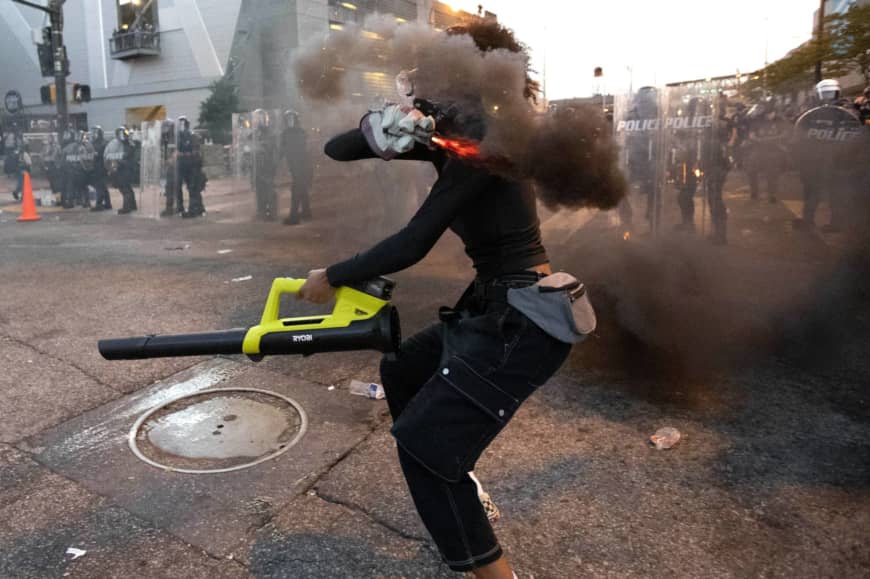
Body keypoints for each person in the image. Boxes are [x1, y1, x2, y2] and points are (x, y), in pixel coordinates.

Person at [296, 21, 576, 578]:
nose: (420, 85)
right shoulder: (450, 136)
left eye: (433, 73)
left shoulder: (487, 141)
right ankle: (458, 484)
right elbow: (337, 148)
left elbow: (412, 242)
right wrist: (390, 128)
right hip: (492, 306)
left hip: (520, 319)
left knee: (423, 447)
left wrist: (334, 275)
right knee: (401, 371)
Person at [793, 79, 864, 232]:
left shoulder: (809, 115)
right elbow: (858, 142)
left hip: (815, 163)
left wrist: (800, 162)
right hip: (840, 164)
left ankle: (808, 221)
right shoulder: (849, 116)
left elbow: (798, 142)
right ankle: (836, 224)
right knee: (836, 194)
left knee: (812, 193)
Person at [743, 98, 790, 204]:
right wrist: (759, 140)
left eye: (770, 113)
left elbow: (785, 134)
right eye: (767, 114)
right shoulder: (758, 119)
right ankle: (754, 192)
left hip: (774, 150)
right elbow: (751, 135)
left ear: (774, 112)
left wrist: (772, 140)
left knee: (773, 174)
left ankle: (772, 194)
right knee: (751, 171)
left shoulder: (780, 120)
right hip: (759, 149)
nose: (769, 116)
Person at [281, 110, 312, 225]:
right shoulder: (286, 133)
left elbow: (303, 150)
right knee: (302, 188)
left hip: (301, 165)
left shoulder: (299, 132)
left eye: (292, 118)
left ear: (296, 120)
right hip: (295, 165)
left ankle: (294, 217)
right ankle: (306, 212)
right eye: (288, 119)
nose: (290, 121)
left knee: (296, 189)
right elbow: (283, 150)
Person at [176, 116, 207, 218]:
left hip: (194, 166)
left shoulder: (192, 136)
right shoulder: (181, 138)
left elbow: (195, 153)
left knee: (194, 188)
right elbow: (180, 150)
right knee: (192, 188)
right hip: (186, 166)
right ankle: (199, 208)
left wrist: (183, 155)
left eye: (182, 124)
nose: (181, 127)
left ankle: (194, 209)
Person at [251, 109, 277, 221]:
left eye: (259, 117)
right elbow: (249, 144)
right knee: (259, 190)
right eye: (256, 118)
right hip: (257, 165)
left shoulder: (269, 132)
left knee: (268, 190)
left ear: (264, 119)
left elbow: (271, 146)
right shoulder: (255, 133)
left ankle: (271, 212)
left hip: (267, 165)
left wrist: (260, 147)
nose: (257, 120)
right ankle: (261, 211)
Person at [105, 126, 137, 214]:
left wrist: (117, 162)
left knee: (124, 188)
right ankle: (133, 205)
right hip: (125, 169)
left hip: (125, 169)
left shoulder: (128, 144)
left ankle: (127, 207)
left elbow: (124, 157)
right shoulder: (124, 144)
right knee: (127, 188)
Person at [89, 126, 112, 211]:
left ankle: (99, 204)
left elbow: (101, 155)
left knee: (99, 187)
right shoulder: (95, 142)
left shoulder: (102, 143)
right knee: (102, 186)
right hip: (98, 167)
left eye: (95, 132)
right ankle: (108, 203)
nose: (93, 134)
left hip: (100, 167)